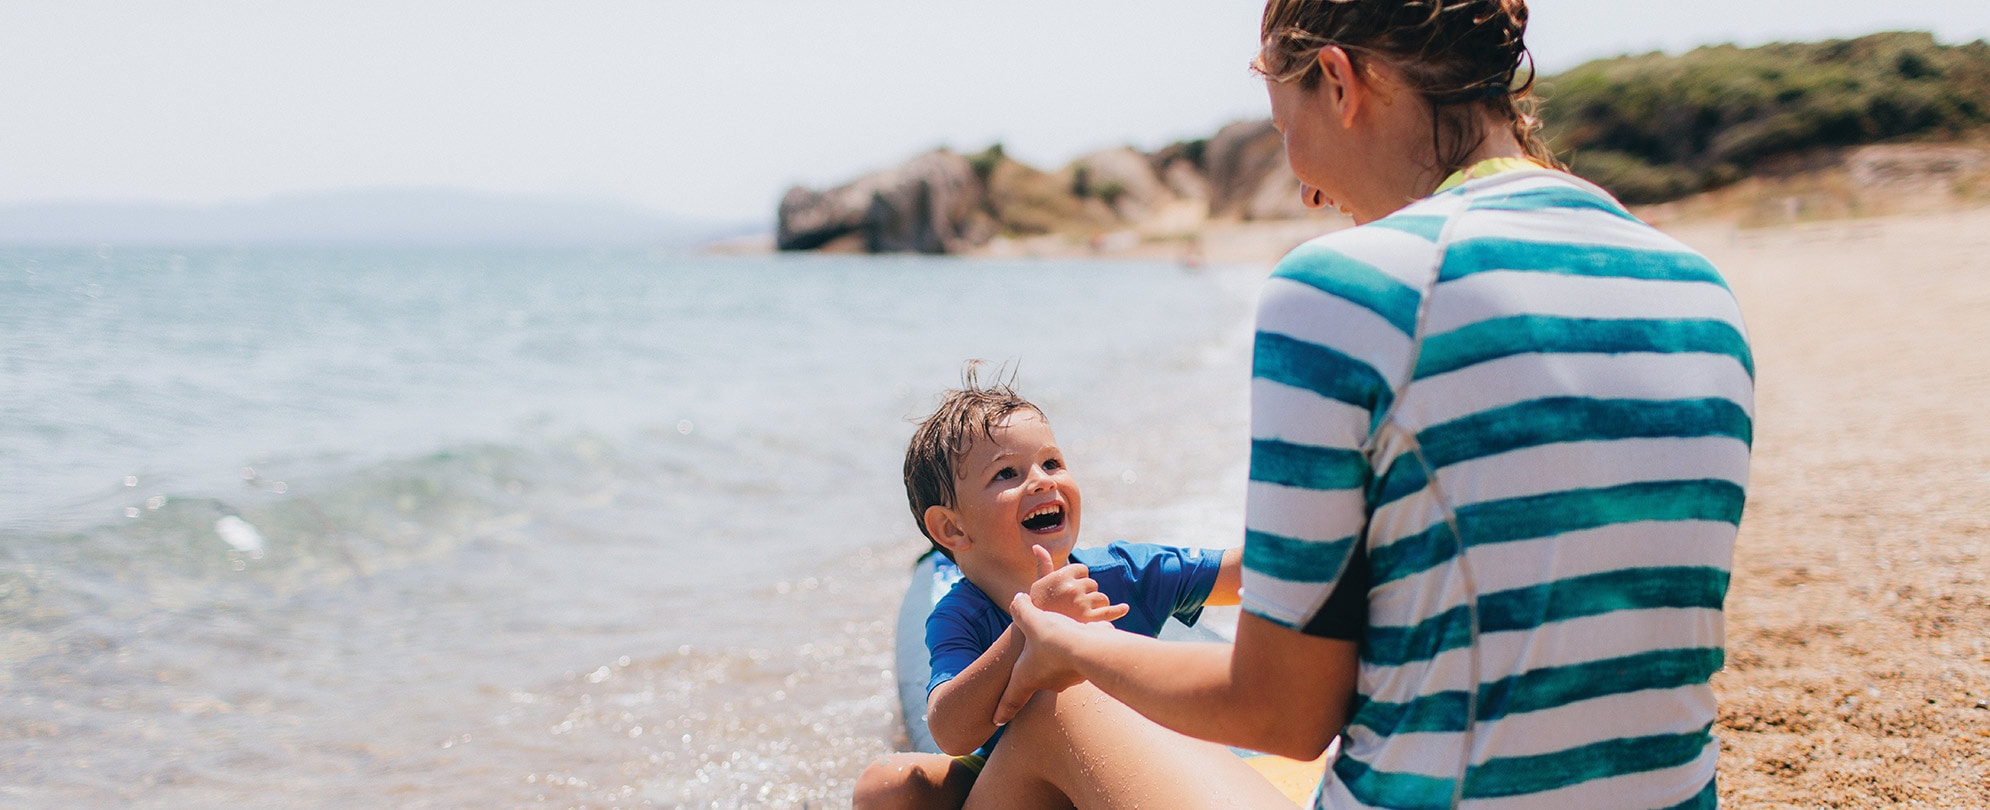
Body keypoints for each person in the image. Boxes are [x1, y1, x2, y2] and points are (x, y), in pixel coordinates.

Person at [989, 1, 1755, 808]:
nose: (1308, 191)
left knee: (1060, 712)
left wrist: (1070, 647)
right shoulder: (1700, 288)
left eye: (1288, 131)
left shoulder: (1348, 289)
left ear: (1339, 79)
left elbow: (1278, 712)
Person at [853, 369, 1293, 809]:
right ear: (951, 528)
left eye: (1051, 463)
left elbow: (1241, 574)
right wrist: (1031, 630)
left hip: (1120, 768)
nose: (1042, 480)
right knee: (889, 785)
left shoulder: (1122, 574)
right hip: (1024, 783)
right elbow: (951, 732)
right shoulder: (961, 614)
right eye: (1006, 473)